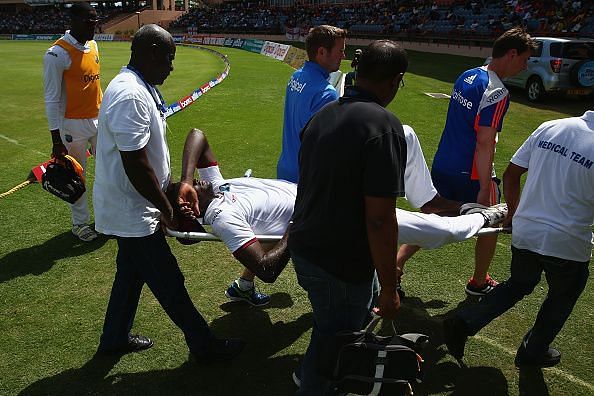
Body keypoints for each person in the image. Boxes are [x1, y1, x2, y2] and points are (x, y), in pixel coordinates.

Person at [174, 129, 507, 309]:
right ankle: (483, 218)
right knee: (429, 230)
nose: (194, 185)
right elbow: (267, 268)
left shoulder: (213, 187)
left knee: (400, 133)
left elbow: (197, 135)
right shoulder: (221, 214)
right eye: (183, 191)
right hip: (327, 213)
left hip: (321, 188)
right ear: (190, 210)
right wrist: (296, 226)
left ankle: (430, 199)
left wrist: (187, 182)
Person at [93, 25, 244, 361]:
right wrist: (166, 208)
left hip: (135, 206)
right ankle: (204, 346)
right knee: (169, 281)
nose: (172, 66)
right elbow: (135, 165)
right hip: (134, 210)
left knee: (130, 275)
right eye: (168, 58)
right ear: (149, 52)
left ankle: (113, 338)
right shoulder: (130, 94)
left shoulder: (138, 87)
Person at [288, 40, 407, 395]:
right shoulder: (384, 126)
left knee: (331, 329)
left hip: (308, 247)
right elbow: (380, 220)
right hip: (337, 261)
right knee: (338, 340)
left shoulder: (323, 116)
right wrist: (389, 287)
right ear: (395, 80)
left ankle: (310, 376)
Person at [444, 111, 594, 369]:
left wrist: (514, 214)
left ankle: (464, 321)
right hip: (567, 242)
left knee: (519, 284)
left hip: (527, 230)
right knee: (563, 296)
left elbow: (511, 174)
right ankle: (533, 351)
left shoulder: (552, 126)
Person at [399, 27, 536, 296]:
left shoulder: (468, 75)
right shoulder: (497, 91)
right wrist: (485, 187)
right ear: (511, 54)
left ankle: (396, 265)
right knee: (493, 220)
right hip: (471, 172)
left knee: (432, 216)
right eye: (525, 59)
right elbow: (485, 143)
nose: (525, 65)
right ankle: (479, 281)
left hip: (443, 162)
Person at [43, 2, 102, 242]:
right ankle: (80, 225)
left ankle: (108, 216)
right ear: (73, 21)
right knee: (77, 178)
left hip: (99, 121)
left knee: (111, 170)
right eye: (89, 20)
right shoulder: (57, 54)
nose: (94, 25)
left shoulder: (94, 45)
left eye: (96, 20)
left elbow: (96, 85)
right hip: (72, 127)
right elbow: (51, 99)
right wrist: (56, 139)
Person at [276, 25, 346, 183]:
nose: (343, 55)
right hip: (305, 177)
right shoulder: (326, 93)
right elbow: (326, 149)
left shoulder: (296, 76)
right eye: (340, 51)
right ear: (322, 52)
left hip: (285, 168)